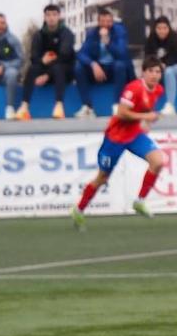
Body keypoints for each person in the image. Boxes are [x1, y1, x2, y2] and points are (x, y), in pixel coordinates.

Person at [71, 55, 166, 229]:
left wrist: (145, 123)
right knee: (102, 178)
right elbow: (122, 113)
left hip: (135, 135)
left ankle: (139, 201)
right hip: (115, 137)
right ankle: (78, 210)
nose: (154, 75)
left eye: (158, 72)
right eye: (151, 71)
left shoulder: (158, 90)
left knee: (158, 161)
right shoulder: (133, 88)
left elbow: (146, 109)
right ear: (143, 73)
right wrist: (146, 116)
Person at [17, 4, 76, 120]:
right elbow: (34, 57)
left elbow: (64, 56)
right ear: (44, 17)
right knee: (32, 69)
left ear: (59, 16)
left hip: (65, 72)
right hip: (45, 69)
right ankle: (24, 107)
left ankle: (59, 106)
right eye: (48, 15)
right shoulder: (38, 35)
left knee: (58, 67)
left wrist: (47, 75)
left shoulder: (67, 33)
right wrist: (42, 61)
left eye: (54, 15)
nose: (51, 18)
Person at [74, 8, 132, 117]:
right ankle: (87, 107)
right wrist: (93, 64)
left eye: (108, 21)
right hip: (98, 70)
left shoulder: (119, 31)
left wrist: (108, 42)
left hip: (113, 69)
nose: (105, 24)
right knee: (78, 67)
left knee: (120, 65)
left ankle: (116, 106)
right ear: (98, 22)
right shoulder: (92, 33)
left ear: (112, 22)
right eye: (103, 21)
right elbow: (81, 54)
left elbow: (122, 54)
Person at [144, 16, 177, 115]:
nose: (162, 31)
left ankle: (170, 106)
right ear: (155, 29)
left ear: (169, 28)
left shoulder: (175, 38)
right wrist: (156, 66)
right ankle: (145, 105)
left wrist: (166, 64)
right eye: (159, 28)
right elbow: (147, 58)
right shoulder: (151, 39)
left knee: (169, 71)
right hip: (159, 71)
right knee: (147, 73)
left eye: (165, 28)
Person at [0, 12, 23, 120]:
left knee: (12, 73)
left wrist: (3, 67)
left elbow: (20, 59)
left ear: (6, 24)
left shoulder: (13, 40)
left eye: (2, 23)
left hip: (6, 74)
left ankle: (10, 108)